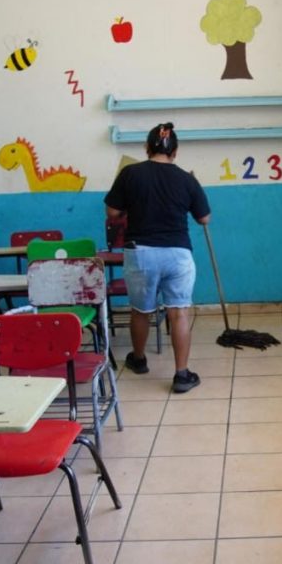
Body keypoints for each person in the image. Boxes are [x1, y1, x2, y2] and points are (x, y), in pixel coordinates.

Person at [104, 122, 211, 393]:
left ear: (146, 147)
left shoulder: (131, 173)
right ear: (175, 151)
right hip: (178, 254)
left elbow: (112, 212)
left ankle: (139, 359)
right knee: (179, 313)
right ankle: (182, 375)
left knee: (141, 311)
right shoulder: (186, 179)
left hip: (141, 253)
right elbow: (204, 218)